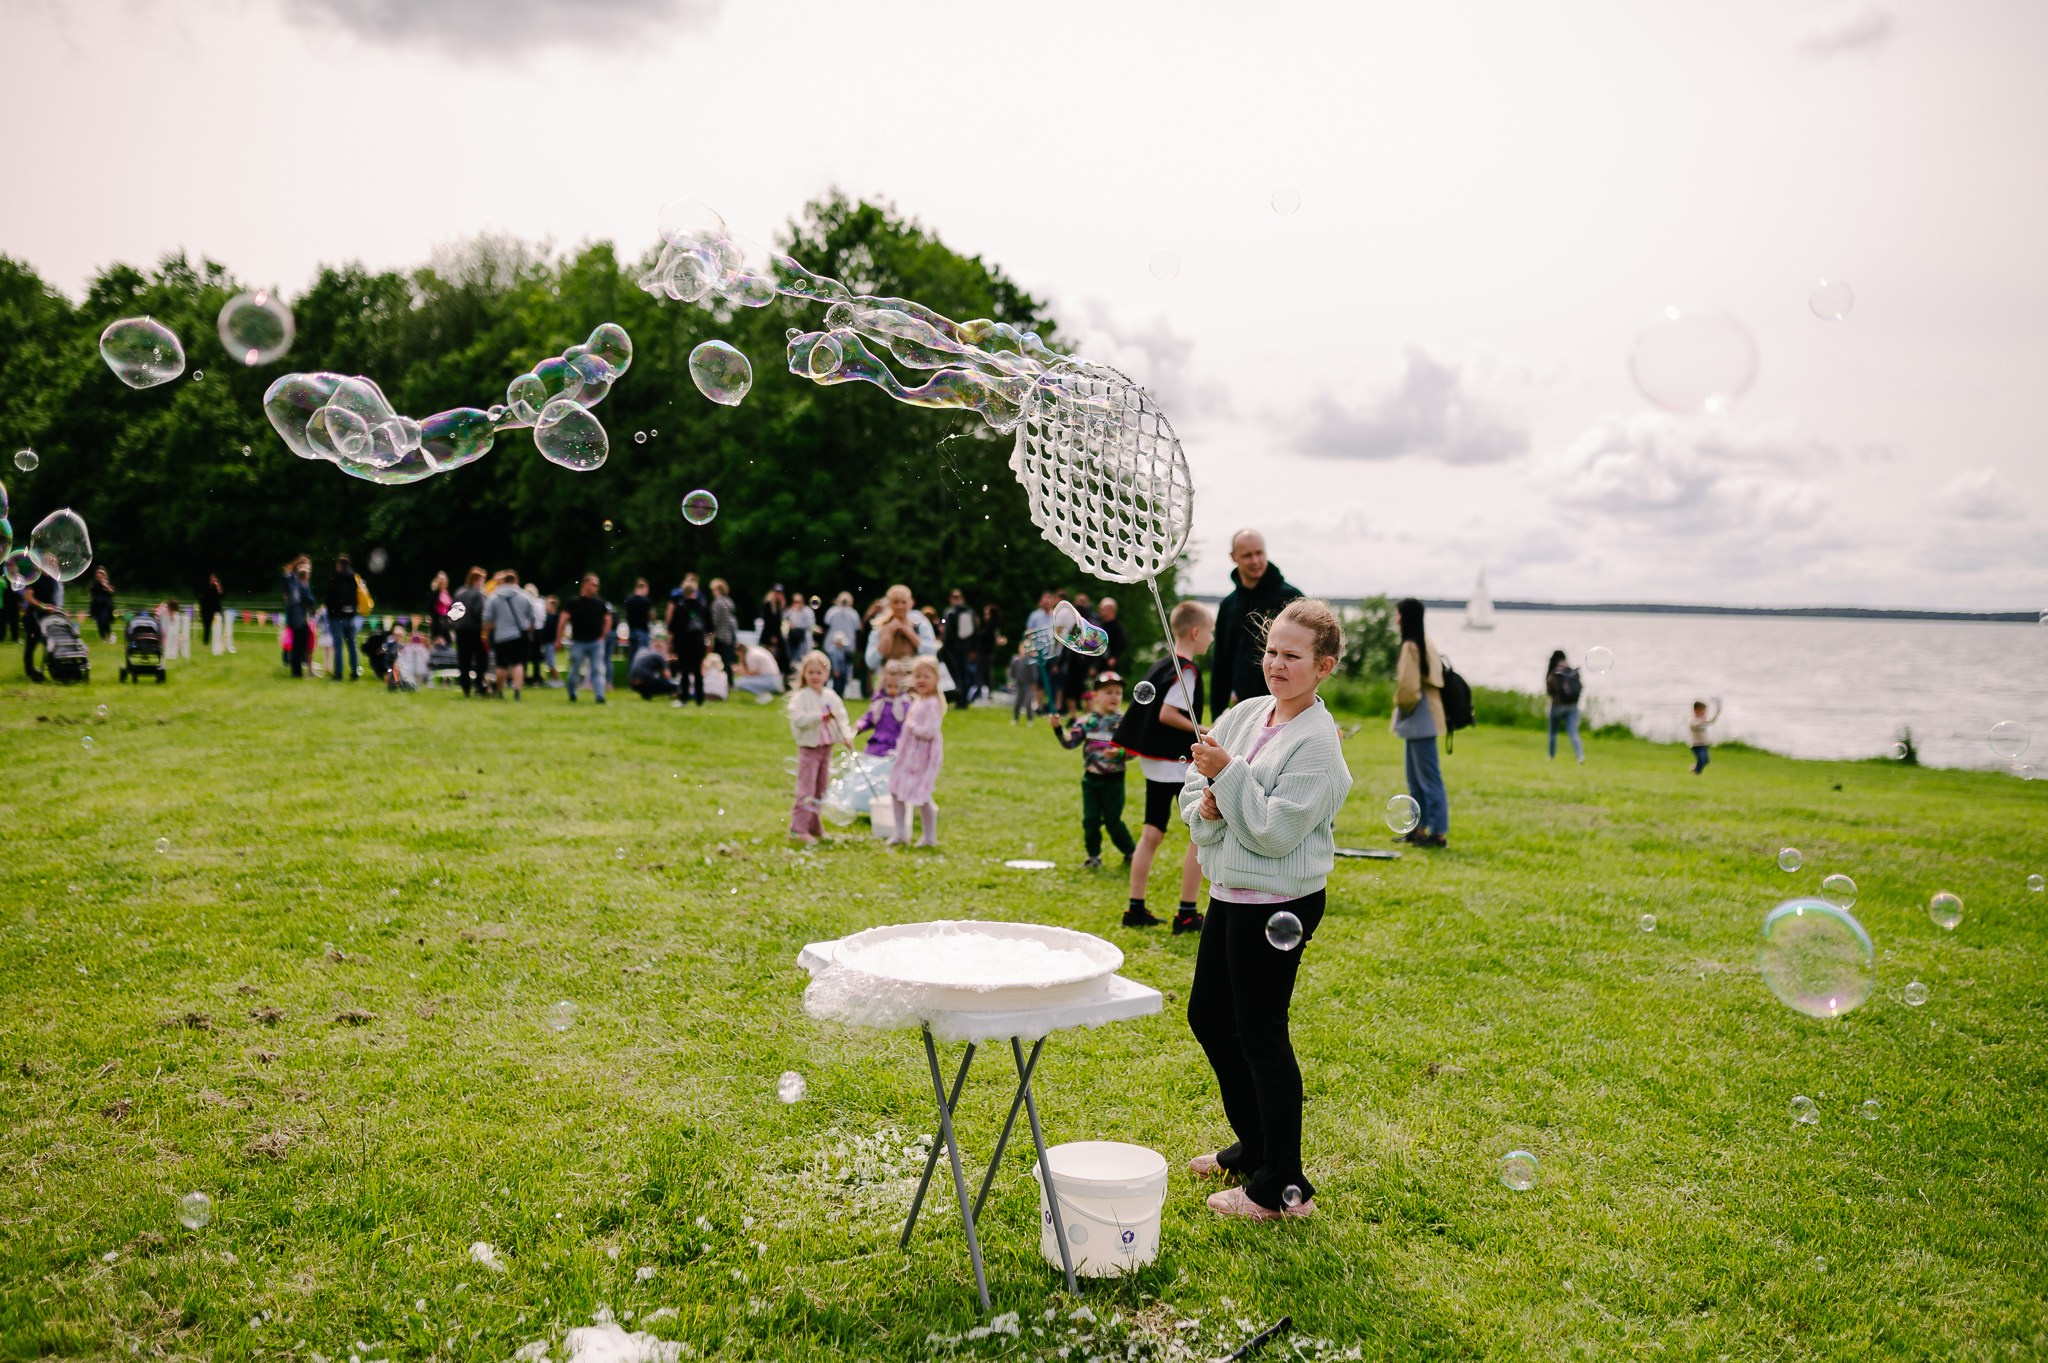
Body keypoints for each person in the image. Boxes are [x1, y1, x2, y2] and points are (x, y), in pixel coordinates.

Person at [1181, 598, 1352, 1221]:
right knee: (1208, 1017)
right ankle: (1256, 1146)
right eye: (1271, 651)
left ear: (1323, 667)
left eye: (1292, 656)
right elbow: (1193, 791)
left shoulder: (1318, 746)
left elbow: (1275, 833)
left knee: (1260, 1034)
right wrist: (1205, 806)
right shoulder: (1247, 713)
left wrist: (1226, 779)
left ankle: (1283, 1186)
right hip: (1230, 892)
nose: (1276, 664)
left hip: (1280, 901)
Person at [1113, 600, 1214, 932]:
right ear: (1196, 632)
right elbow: (1167, 714)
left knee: (1151, 833)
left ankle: (1135, 908)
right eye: (1210, 632)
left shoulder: (1162, 664)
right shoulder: (1186, 670)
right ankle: (1187, 912)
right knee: (1200, 834)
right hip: (1175, 764)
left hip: (1154, 763)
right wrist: (1203, 728)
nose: (1212, 639)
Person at [1210, 529, 1302, 721]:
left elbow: (1306, 655)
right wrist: (1217, 714)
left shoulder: (1291, 598)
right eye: (1247, 555)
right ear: (1233, 557)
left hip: (1283, 705)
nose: (1255, 561)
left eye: (1259, 553)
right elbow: (1221, 664)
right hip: (1243, 708)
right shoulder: (1228, 605)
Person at [1054, 671, 1136, 871]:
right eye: (1108, 692)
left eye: (1118, 692)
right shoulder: (1086, 722)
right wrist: (1057, 729)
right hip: (1091, 780)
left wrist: (1118, 754)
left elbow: (1133, 751)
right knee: (1090, 820)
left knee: (1112, 821)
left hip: (1114, 781)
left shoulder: (1124, 723)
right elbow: (1069, 742)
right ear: (1096, 695)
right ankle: (1093, 856)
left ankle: (1131, 852)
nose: (1114, 696)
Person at [1391, 597, 1448, 848]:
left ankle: (1438, 832)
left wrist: (1401, 706)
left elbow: (1409, 688)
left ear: (1405, 617)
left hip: (1418, 716)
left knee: (1426, 778)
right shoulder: (1425, 642)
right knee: (1416, 778)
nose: (1395, 618)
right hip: (1426, 715)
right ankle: (1419, 829)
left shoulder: (1411, 645)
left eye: (1398, 613)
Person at [786, 650, 855, 842]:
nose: (815, 676)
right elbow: (798, 719)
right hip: (809, 748)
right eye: (811, 672)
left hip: (826, 748)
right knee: (806, 789)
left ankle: (814, 825)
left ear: (827, 675)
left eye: (820, 672)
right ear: (804, 675)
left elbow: (841, 718)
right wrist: (820, 717)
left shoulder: (830, 696)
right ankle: (799, 828)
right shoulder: (801, 697)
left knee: (820, 788)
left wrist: (846, 737)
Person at [887, 656, 946, 847]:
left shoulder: (932, 704)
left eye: (926, 676)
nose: (921, 680)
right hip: (909, 756)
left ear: (936, 679)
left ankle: (930, 836)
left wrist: (911, 726)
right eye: (918, 676)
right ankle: (901, 833)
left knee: (922, 795)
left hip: (922, 758)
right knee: (896, 790)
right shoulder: (919, 700)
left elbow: (929, 732)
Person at [558, 574, 613, 703]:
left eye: (597, 585)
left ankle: (600, 696)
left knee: (598, 670)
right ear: (584, 585)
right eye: (593, 584)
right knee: (574, 670)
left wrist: (602, 636)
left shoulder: (600, 603)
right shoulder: (574, 602)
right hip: (578, 642)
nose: (596, 587)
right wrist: (558, 637)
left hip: (595, 642)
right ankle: (572, 693)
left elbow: (608, 619)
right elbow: (563, 619)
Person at [483, 569, 536, 699]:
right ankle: (517, 691)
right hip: (518, 635)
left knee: (501, 665)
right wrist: (530, 630)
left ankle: (500, 691)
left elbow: (486, 619)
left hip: (500, 636)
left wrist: (488, 631)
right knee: (517, 664)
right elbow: (532, 618)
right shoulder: (525, 596)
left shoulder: (494, 597)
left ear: (503, 581)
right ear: (516, 581)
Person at [863, 583, 937, 673]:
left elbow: (931, 654)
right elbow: (871, 663)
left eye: (904, 602)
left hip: (913, 680)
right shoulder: (879, 628)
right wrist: (888, 633)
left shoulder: (920, 626)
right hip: (889, 682)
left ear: (911, 603)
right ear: (889, 603)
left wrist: (909, 633)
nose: (900, 606)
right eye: (896, 602)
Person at [666, 574, 710, 707]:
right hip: (698, 643)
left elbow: (672, 628)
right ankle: (700, 699)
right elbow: (710, 627)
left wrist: (671, 644)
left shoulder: (680, 607)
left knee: (684, 671)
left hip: (683, 643)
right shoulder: (702, 607)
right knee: (697, 671)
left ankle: (684, 698)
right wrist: (709, 643)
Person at [324, 554, 363, 681]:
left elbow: (329, 598)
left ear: (339, 565)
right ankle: (354, 672)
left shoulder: (334, 578)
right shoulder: (354, 578)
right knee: (352, 646)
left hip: (336, 617)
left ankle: (338, 673)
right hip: (350, 616)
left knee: (338, 646)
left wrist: (331, 612)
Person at [451, 567, 488, 696]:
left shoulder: (459, 593)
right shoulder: (478, 594)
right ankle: (479, 685)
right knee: (481, 659)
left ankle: (465, 688)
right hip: (474, 631)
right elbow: (479, 613)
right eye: (483, 580)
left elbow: (453, 615)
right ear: (477, 580)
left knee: (464, 661)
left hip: (460, 631)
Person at [20, 567, 61, 680]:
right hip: (34, 617)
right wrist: (44, 607)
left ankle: (56, 669)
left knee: (51, 644)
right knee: (31, 644)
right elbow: (28, 597)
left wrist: (56, 609)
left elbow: (53, 599)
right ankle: (30, 671)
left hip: (48, 617)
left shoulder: (53, 579)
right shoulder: (35, 577)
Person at [1545, 650, 1585, 763]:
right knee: (1573, 732)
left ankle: (1551, 756)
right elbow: (1580, 688)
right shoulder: (1572, 672)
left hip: (1557, 707)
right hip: (1573, 707)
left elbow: (1549, 690)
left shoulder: (1554, 673)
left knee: (1553, 733)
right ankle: (1580, 756)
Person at [941, 588, 978, 708]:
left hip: (953, 649)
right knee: (965, 674)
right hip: (966, 649)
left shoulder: (950, 613)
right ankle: (964, 701)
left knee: (955, 675)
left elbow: (947, 633)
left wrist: (944, 648)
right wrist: (973, 649)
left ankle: (958, 699)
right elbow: (975, 632)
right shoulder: (970, 612)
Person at [281, 557, 316, 678]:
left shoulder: (293, 581)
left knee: (297, 645)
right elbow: (309, 600)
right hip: (300, 619)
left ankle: (297, 671)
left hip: (295, 618)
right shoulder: (300, 583)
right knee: (299, 645)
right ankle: (297, 672)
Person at [822, 591, 861, 695]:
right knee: (843, 670)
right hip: (846, 646)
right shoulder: (853, 613)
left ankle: (833, 691)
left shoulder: (832, 611)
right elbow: (857, 629)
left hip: (833, 645)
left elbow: (826, 624)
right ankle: (839, 692)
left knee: (833, 669)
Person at [708, 577, 738, 676]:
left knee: (719, 661)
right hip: (730, 636)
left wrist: (710, 636)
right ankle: (730, 681)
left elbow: (714, 622)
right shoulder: (729, 602)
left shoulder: (717, 603)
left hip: (720, 636)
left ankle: (720, 680)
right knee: (728, 661)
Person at [783, 591, 818, 668]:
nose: (796, 604)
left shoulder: (807, 611)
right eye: (795, 602)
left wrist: (796, 626)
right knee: (793, 660)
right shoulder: (792, 611)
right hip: (793, 640)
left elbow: (811, 624)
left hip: (804, 639)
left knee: (804, 659)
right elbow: (784, 617)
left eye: (798, 602)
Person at [1689, 697, 1723, 774]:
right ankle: (1697, 772)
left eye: (1704, 711)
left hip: (1704, 744)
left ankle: (1695, 769)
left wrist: (1718, 710)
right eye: (1702, 711)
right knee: (1702, 759)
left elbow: (1712, 721)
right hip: (1696, 745)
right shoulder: (1694, 721)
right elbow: (1696, 725)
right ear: (1696, 711)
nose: (1703, 713)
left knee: (1706, 760)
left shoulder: (1703, 720)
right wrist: (1702, 722)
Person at [393, 625, 431, 691]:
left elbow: (399, 662)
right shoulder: (423, 650)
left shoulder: (406, 649)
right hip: (421, 673)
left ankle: (409, 685)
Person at [623, 578, 654, 659]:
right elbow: (651, 615)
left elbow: (626, 613)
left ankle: (631, 671)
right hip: (643, 630)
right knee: (642, 656)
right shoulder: (645, 600)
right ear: (644, 588)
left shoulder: (629, 599)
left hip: (632, 630)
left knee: (632, 655)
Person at [88, 567, 116, 641]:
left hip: (106, 606)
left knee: (104, 621)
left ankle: (110, 634)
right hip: (96, 606)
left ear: (104, 574)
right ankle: (102, 637)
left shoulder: (107, 583)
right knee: (99, 622)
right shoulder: (94, 584)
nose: (99, 575)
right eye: (97, 573)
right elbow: (91, 592)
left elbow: (112, 591)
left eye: (101, 573)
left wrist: (105, 585)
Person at [426, 570, 453, 644]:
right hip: (436, 622)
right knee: (436, 643)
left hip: (446, 622)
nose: (442, 581)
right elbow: (430, 609)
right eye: (440, 579)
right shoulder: (434, 594)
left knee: (448, 642)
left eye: (443, 579)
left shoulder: (447, 593)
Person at [198, 573, 223, 647]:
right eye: (212, 578)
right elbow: (201, 597)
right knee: (206, 627)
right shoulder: (205, 586)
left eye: (214, 578)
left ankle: (218, 641)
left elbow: (221, 595)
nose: (213, 580)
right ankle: (206, 642)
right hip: (206, 610)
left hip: (216, 610)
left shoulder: (218, 587)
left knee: (218, 626)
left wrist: (218, 586)